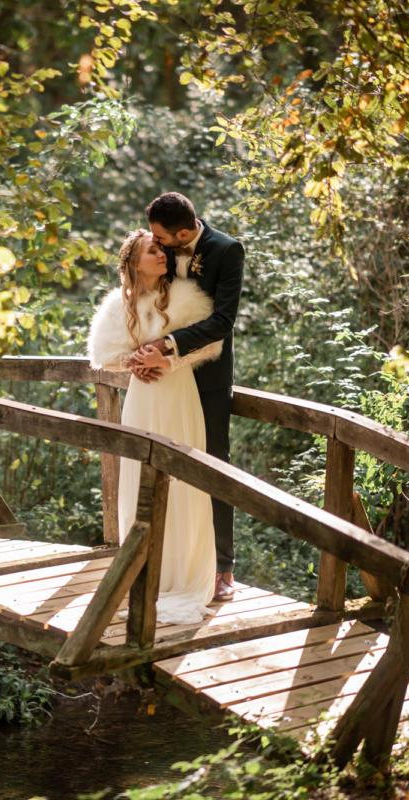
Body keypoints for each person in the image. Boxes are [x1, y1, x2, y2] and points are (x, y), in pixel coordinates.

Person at [87, 229, 223, 624]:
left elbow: (211, 344)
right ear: (133, 262)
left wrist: (169, 361)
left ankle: (186, 577)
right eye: (152, 250)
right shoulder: (118, 305)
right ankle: (144, 569)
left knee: (184, 484)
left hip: (180, 397)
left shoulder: (184, 296)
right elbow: (102, 356)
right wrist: (134, 362)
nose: (161, 255)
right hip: (142, 402)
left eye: (161, 249)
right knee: (139, 479)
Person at [129, 192, 244, 602]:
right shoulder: (161, 251)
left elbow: (222, 321)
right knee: (161, 469)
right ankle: (169, 561)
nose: (156, 244)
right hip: (161, 386)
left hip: (206, 378)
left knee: (213, 469)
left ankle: (222, 568)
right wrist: (138, 356)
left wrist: (167, 345)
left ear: (183, 232)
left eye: (161, 238)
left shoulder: (226, 251)